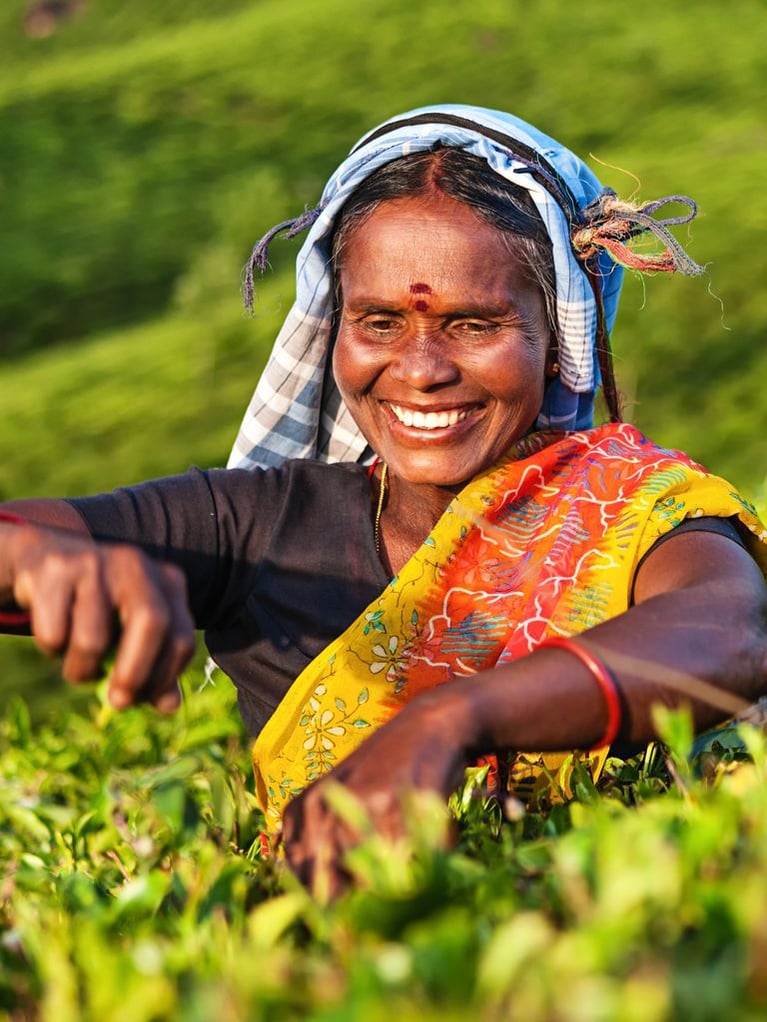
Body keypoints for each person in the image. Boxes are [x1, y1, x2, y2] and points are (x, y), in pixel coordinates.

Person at [2, 105, 766, 897]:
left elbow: (727, 633)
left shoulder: (635, 508)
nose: (421, 369)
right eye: (378, 321)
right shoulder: (259, 526)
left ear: (555, 341)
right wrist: (32, 556)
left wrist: (452, 719)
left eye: (474, 324)